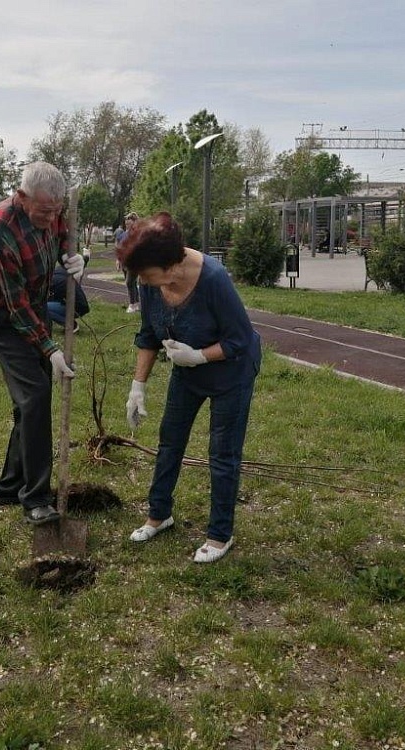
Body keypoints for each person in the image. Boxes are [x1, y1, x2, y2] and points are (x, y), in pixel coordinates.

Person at [120, 212, 261, 563]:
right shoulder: (149, 281)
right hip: (187, 373)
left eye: (150, 276)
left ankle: (219, 534)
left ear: (171, 265)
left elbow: (239, 340)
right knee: (170, 439)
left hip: (231, 373)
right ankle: (159, 514)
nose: (147, 284)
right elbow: (149, 334)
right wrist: (137, 386)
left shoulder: (213, 279)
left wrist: (198, 355)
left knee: (222, 453)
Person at [0, 161, 85, 526]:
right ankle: (36, 498)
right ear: (22, 198)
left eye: (55, 211)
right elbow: (15, 304)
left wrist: (74, 257)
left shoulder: (53, 210)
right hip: (5, 317)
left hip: (34, 307)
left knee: (30, 405)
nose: (50, 218)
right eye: (43, 211)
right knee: (36, 395)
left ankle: (8, 487)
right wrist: (50, 349)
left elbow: (64, 235)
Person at [47, 265, 90, 332]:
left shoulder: (53, 282)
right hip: (80, 306)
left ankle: (71, 325)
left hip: (77, 308)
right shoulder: (57, 274)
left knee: (42, 307)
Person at [115, 211, 140, 313]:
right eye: (126, 221)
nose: (127, 222)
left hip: (133, 262)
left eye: (129, 221)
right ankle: (137, 303)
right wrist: (118, 260)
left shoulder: (137, 234)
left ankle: (132, 304)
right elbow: (119, 247)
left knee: (129, 282)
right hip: (124, 262)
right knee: (132, 283)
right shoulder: (123, 234)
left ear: (134, 222)